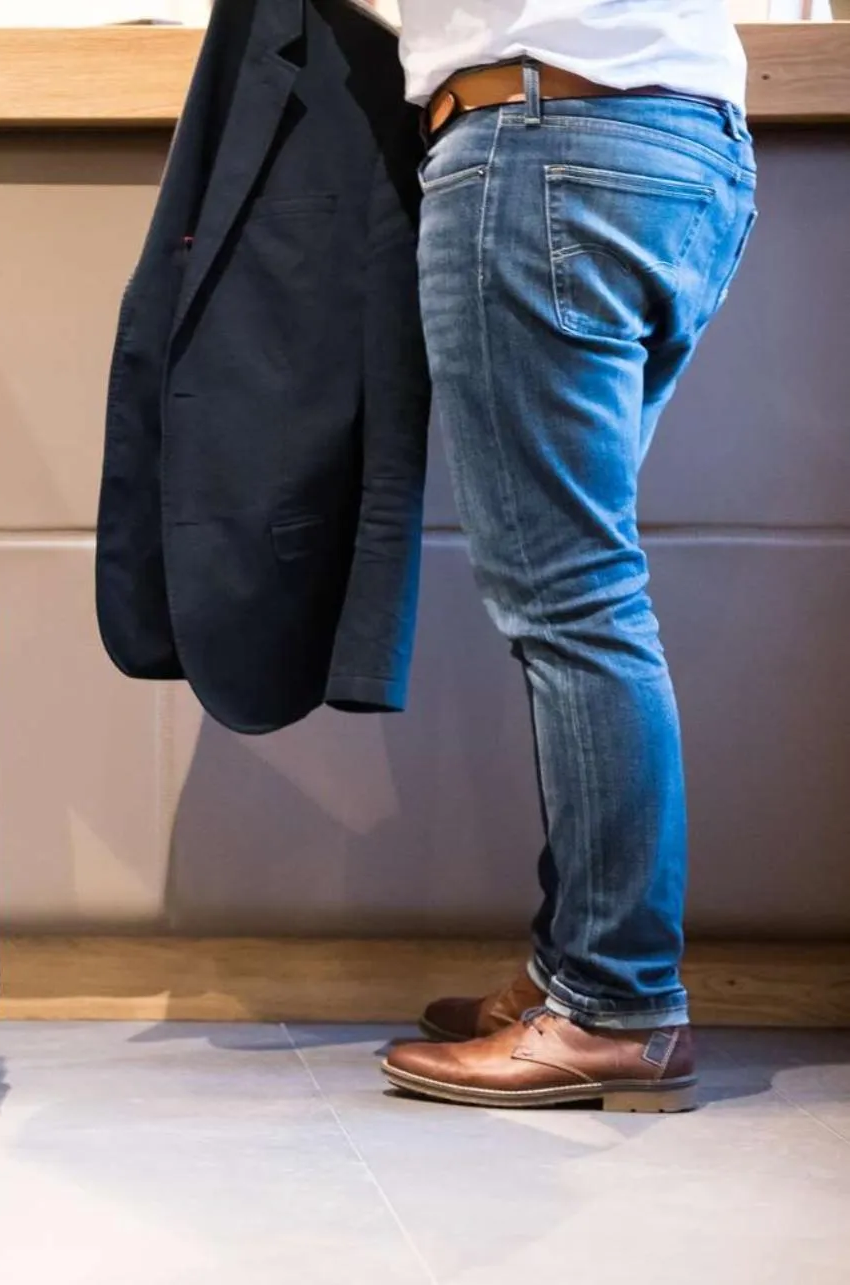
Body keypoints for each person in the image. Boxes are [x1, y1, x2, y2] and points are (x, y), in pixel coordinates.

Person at [382, 2, 757, 1111]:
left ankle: (611, 1005)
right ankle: (574, 969)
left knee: (572, 597)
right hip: (688, 145)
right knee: (583, 586)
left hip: (545, 135)